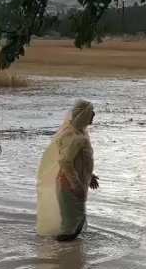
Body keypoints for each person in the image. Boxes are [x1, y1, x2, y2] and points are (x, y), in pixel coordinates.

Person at [36, 99, 99, 242]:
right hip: (68, 185)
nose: (93, 115)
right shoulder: (74, 137)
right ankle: (61, 252)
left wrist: (89, 175)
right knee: (72, 225)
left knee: (76, 221)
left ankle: (68, 250)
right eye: (91, 112)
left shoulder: (80, 133)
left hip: (75, 183)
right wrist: (76, 184)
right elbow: (65, 161)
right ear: (82, 115)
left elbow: (81, 161)